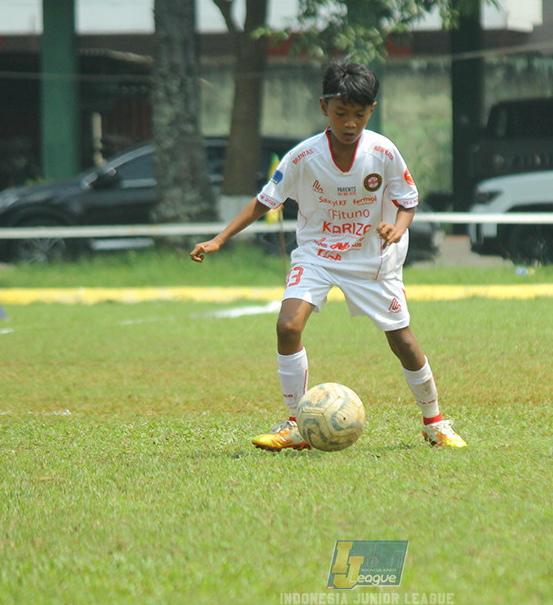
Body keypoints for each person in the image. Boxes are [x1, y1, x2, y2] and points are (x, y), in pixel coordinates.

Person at [190, 61, 466, 450]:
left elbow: (408, 201)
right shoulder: (303, 157)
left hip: (372, 258)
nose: (350, 123)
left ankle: (434, 422)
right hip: (317, 254)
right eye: (341, 113)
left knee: (402, 340)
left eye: (359, 114)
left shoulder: (383, 151)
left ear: (371, 110)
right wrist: (220, 239)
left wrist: (397, 229)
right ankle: (295, 425)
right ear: (324, 108)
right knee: (287, 326)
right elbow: (263, 201)